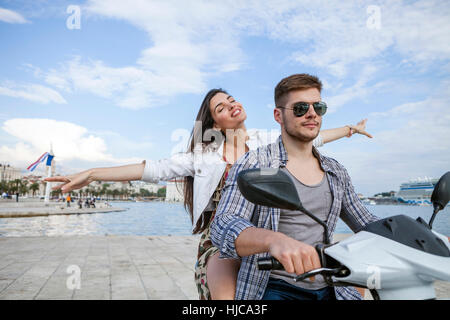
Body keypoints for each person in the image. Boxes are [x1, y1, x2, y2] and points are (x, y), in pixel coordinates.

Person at [44, 88, 372, 300]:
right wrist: (90, 173)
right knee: (223, 262)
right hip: (220, 240)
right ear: (213, 122)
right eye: (220, 107)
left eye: (231, 99)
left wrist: (349, 130)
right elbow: (149, 168)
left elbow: (313, 136)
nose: (230, 105)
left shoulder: (268, 143)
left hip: (266, 235)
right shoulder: (202, 156)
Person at [210, 74, 380, 300]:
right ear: (278, 115)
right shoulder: (255, 163)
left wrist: (419, 236)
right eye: (300, 108)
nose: (312, 114)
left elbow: (367, 222)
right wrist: (274, 240)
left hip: (332, 286)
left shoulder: (336, 172)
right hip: (272, 286)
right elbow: (223, 224)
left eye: (318, 107)